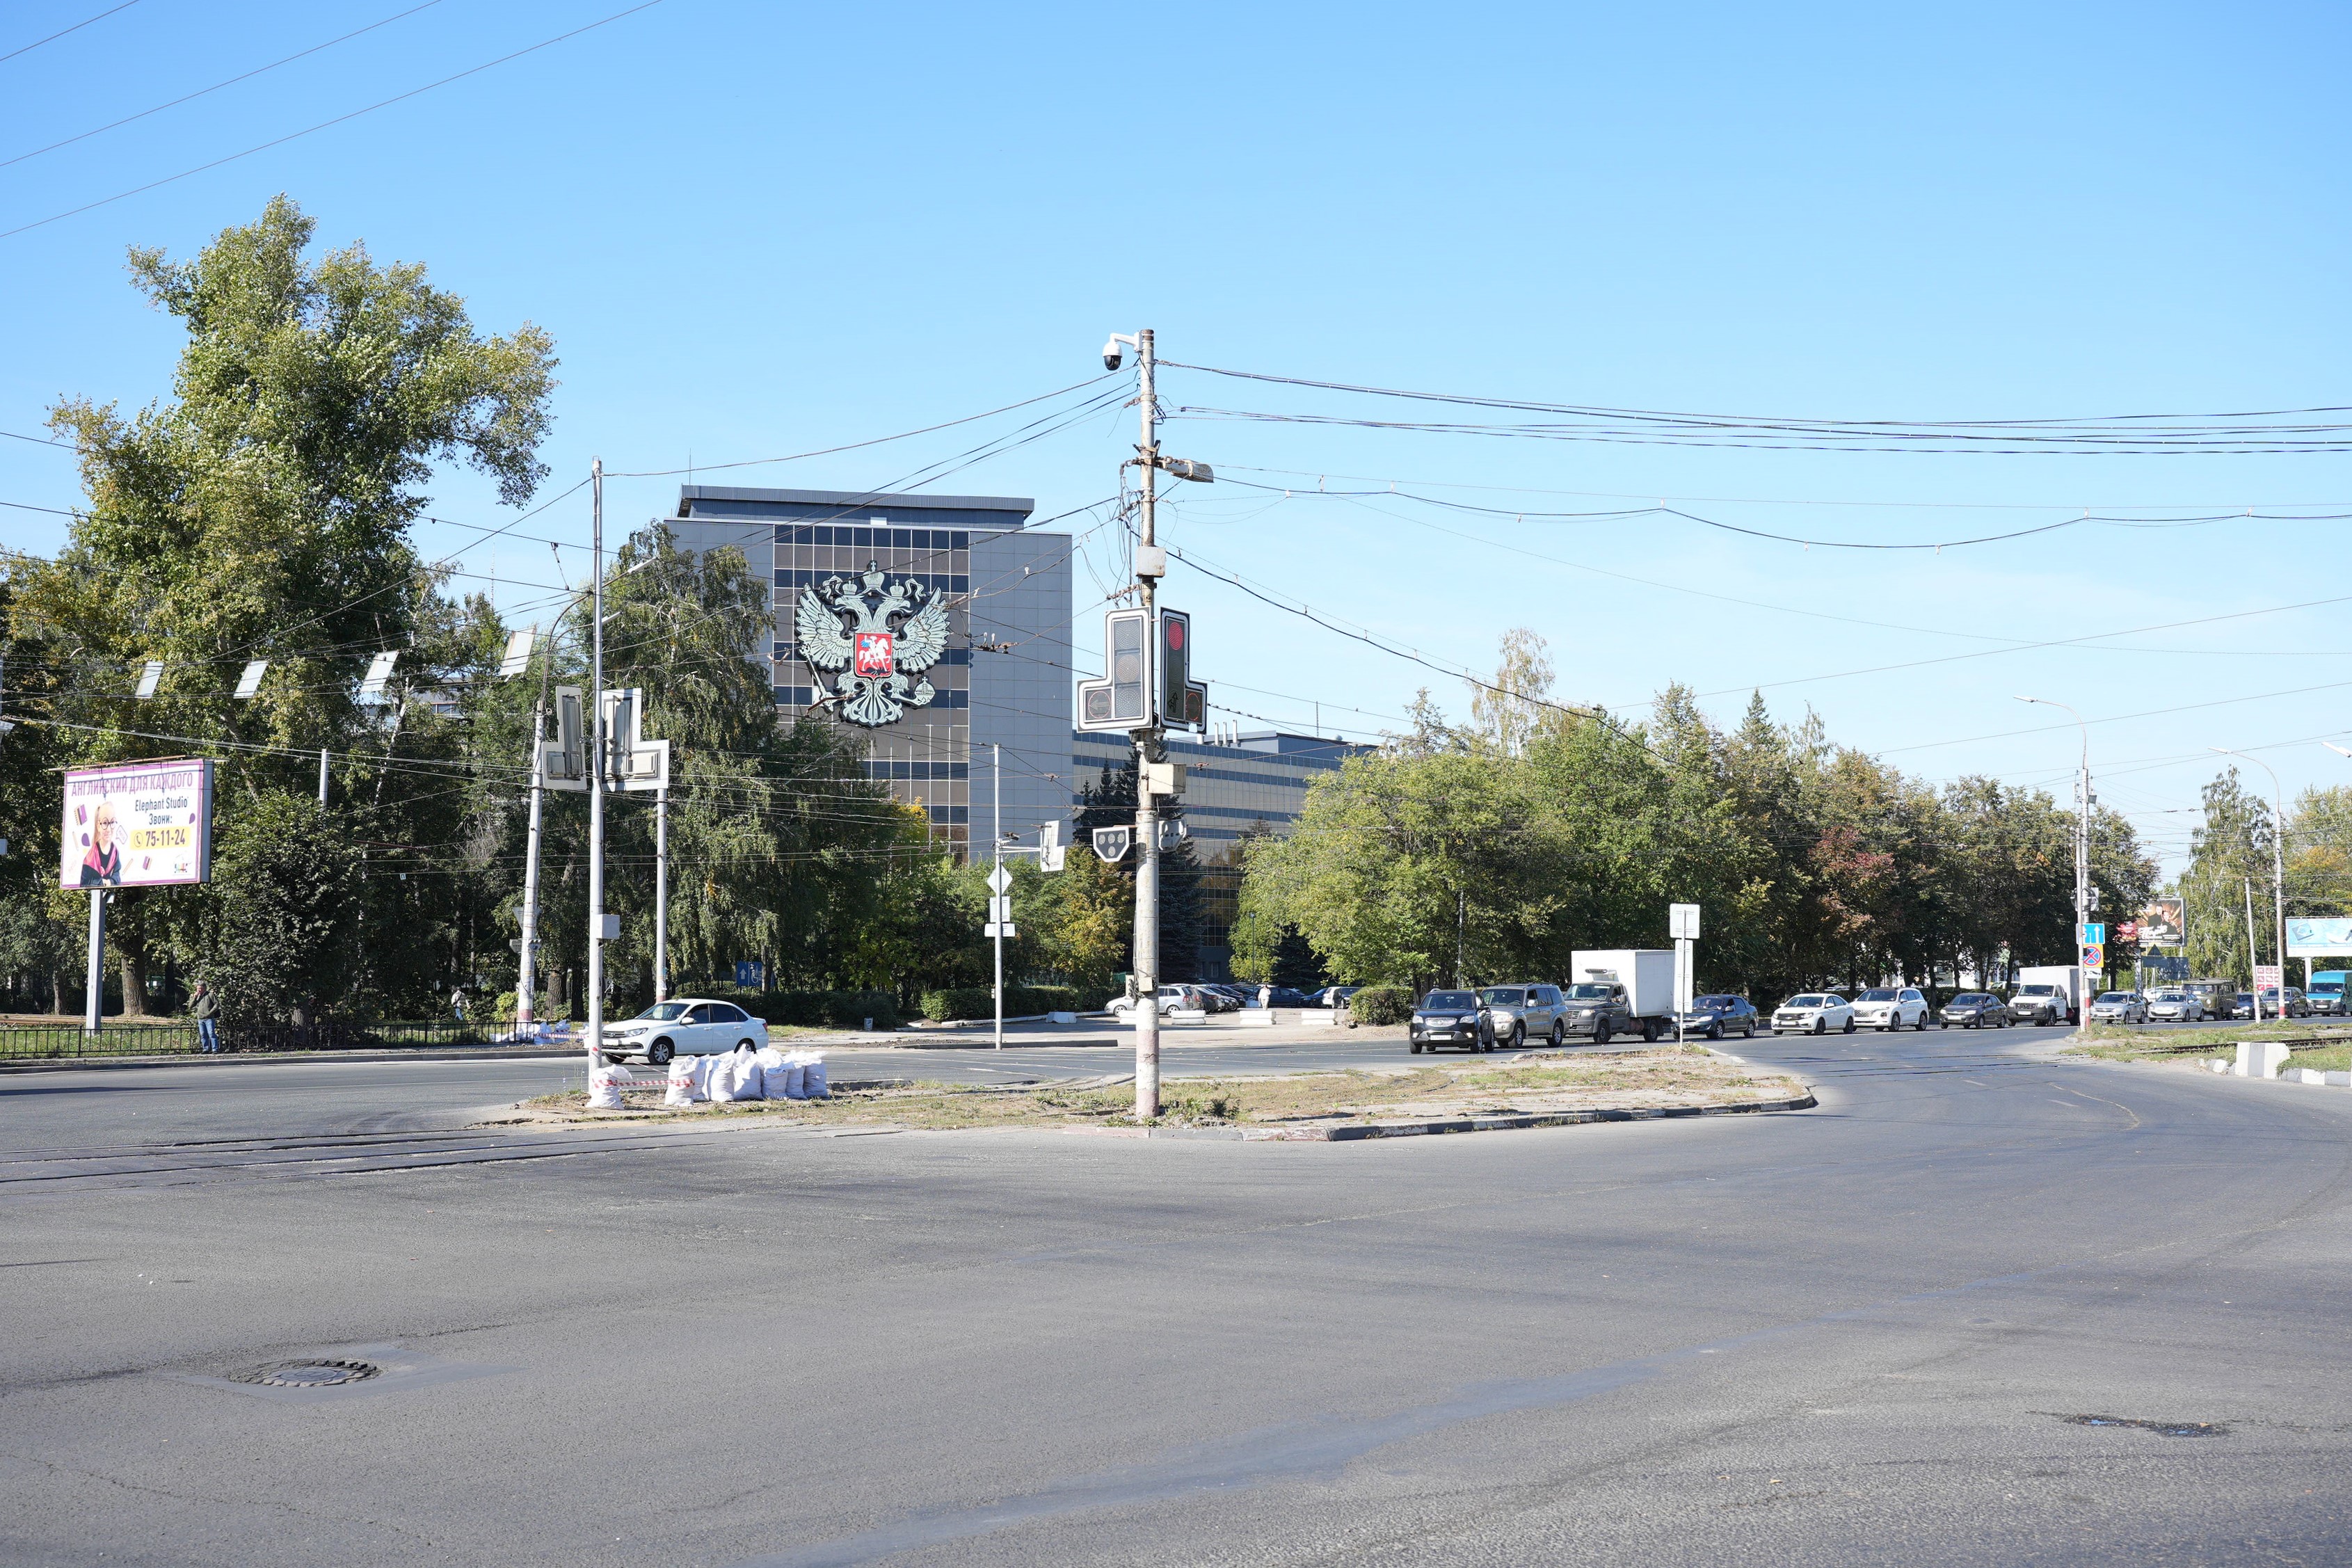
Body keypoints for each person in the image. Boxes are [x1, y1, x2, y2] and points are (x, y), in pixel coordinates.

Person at [79, 801, 122, 887]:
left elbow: (117, 875)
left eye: (112, 823)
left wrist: (110, 882)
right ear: (99, 826)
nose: (109, 829)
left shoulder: (115, 852)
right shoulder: (91, 857)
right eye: (105, 823)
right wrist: (100, 882)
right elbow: (84, 883)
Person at [191, 982, 219, 1053]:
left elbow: (217, 1004)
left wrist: (210, 1013)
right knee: (203, 1034)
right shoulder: (198, 997)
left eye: (200, 988)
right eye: (198, 989)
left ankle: (215, 1049)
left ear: (204, 988)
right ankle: (206, 1049)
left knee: (211, 1033)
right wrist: (195, 997)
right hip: (200, 1018)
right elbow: (190, 1006)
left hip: (209, 1018)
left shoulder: (210, 994)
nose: (199, 990)